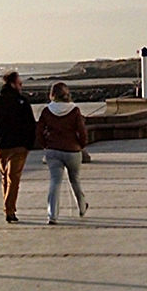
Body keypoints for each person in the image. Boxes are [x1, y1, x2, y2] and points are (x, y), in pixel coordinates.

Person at [0, 70, 38, 223]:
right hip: (19, 146)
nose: (21, 86)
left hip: (1, 146)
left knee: (5, 177)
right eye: (20, 83)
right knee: (13, 178)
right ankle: (9, 210)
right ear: (13, 83)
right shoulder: (22, 101)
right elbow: (30, 124)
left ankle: (8, 208)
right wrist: (29, 143)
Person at [36, 81, 89, 225]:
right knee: (75, 180)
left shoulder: (47, 111)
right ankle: (82, 207)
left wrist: (45, 145)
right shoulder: (74, 110)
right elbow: (82, 131)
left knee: (55, 182)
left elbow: (39, 131)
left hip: (53, 150)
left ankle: (52, 215)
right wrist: (81, 145)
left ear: (52, 94)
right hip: (72, 150)